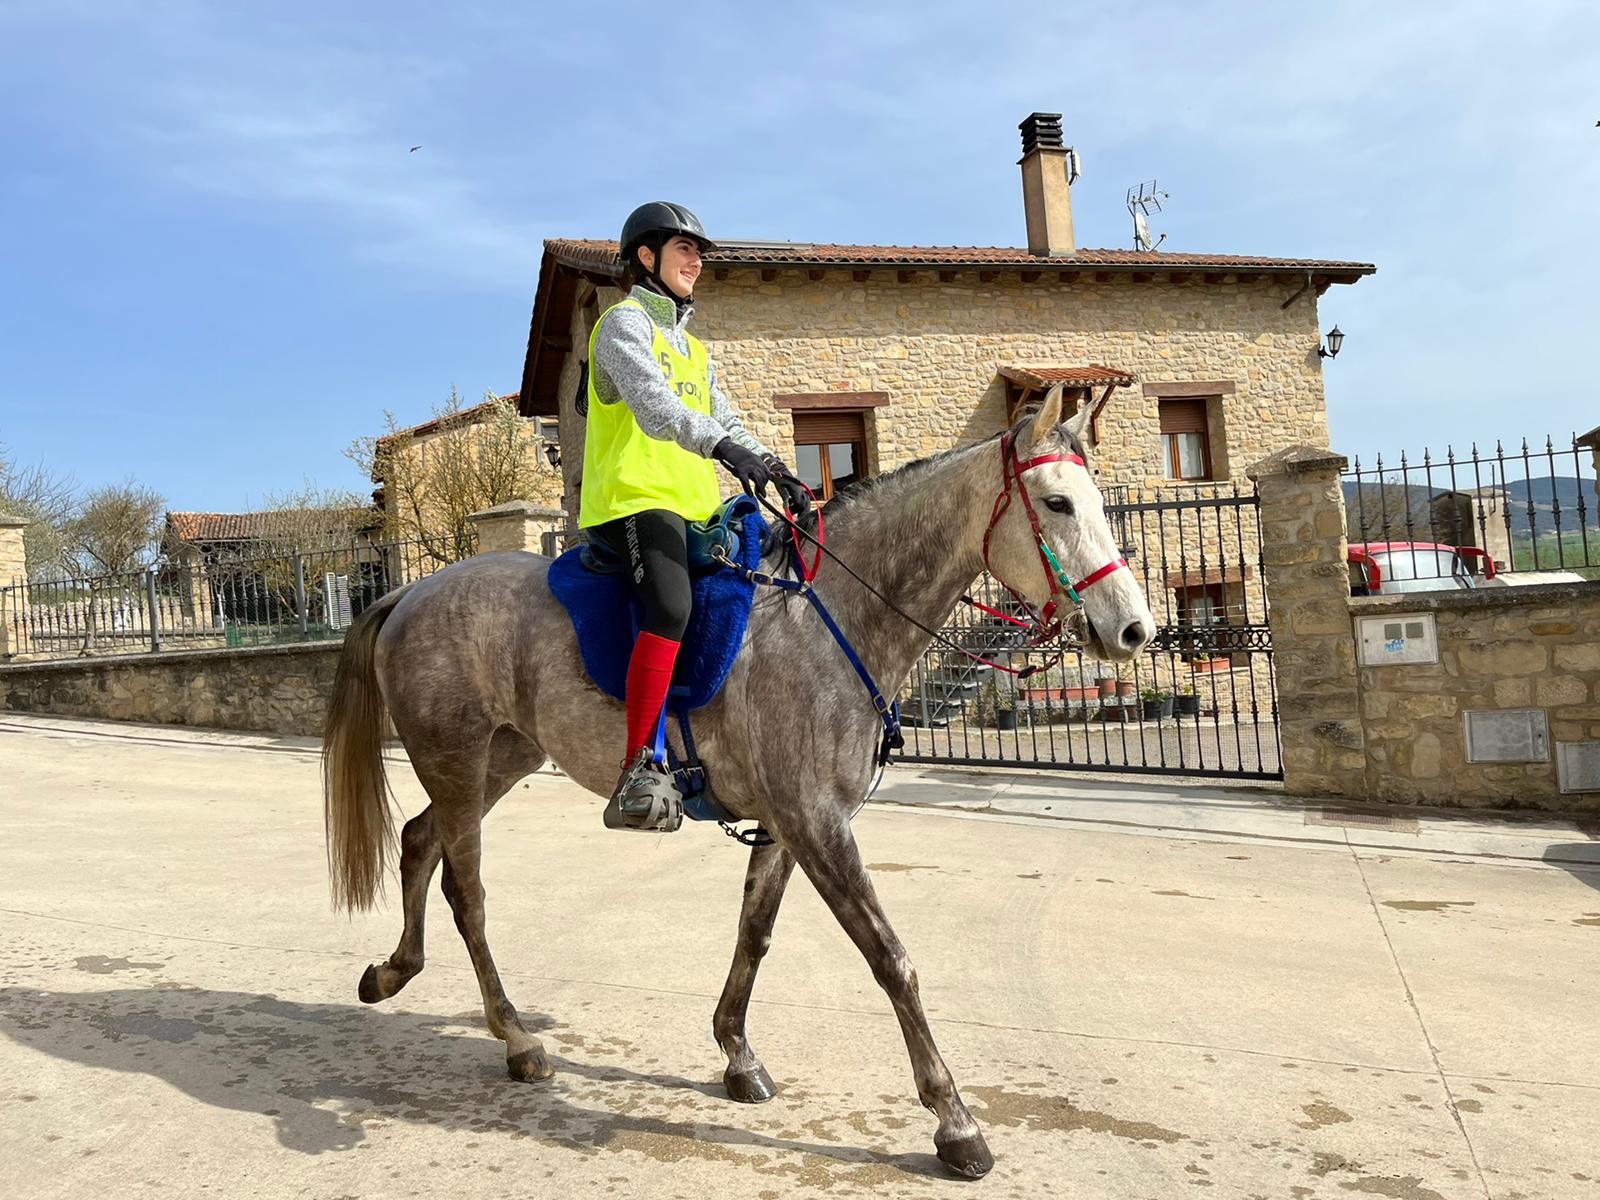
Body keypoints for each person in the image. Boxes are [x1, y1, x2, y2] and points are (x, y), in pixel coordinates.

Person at [580, 201, 809, 832]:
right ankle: (637, 768)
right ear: (646, 256)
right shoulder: (621, 326)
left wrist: (777, 468)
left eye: (700, 253)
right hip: (633, 501)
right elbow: (656, 408)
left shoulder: (694, 350)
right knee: (671, 606)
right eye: (685, 249)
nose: (697, 262)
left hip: (694, 509)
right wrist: (726, 450)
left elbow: (724, 418)